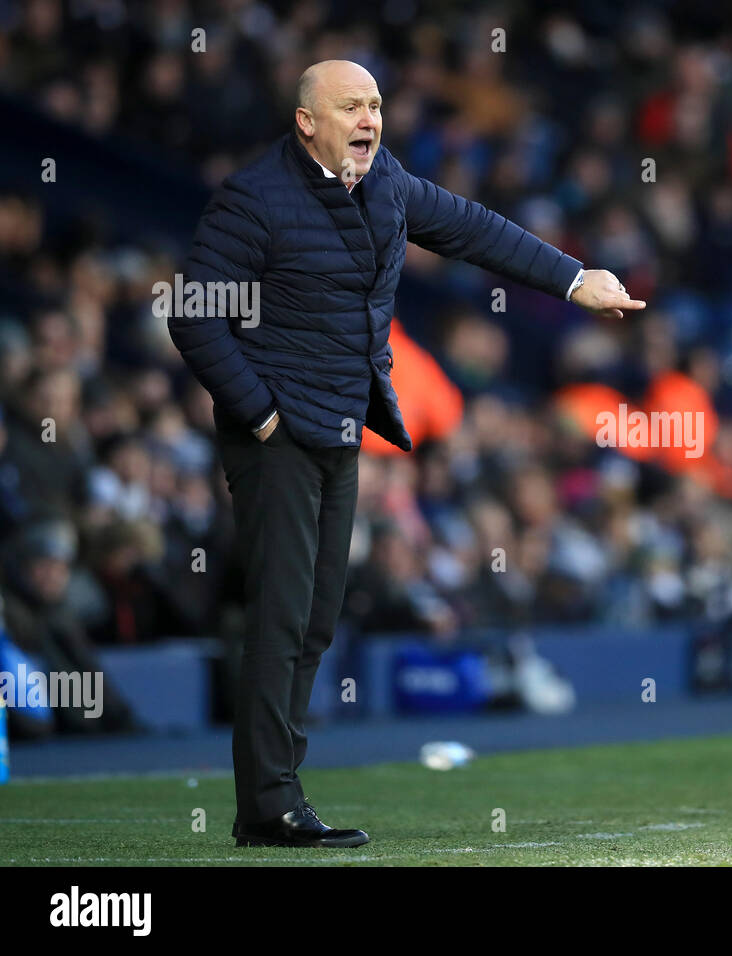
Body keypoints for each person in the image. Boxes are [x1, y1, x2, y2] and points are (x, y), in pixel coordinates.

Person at [168, 60, 643, 848]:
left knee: (317, 619)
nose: (370, 119)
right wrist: (257, 416)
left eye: (377, 105)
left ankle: (280, 794)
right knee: (283, 617)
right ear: (306, 122)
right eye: (351, 106)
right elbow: (193, 315)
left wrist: (570, 278)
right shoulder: (255, 198)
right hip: (279, 439)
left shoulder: (383, 181)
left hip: (342, 430)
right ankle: (268, 806)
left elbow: (472, 227)